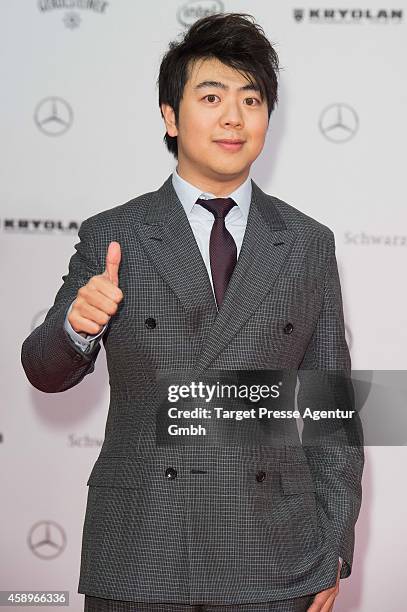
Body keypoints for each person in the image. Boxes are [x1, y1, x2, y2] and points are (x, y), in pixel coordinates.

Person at [21, 12, 364, 612]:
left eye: (251, 99)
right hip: (144, 549)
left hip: (273, 556)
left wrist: (332, 546)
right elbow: (44, 372)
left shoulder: (308, 242)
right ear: (171, 116)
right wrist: (76, 326)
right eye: (211, 96)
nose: (234, 117)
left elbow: (331, 412)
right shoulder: (116, 233)